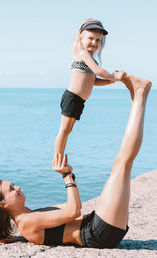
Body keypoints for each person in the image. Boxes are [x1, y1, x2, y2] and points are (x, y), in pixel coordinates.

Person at [0, 75, 152, 248]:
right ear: (3, 204)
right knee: (123, 162)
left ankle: (138, 95)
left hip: (95, 225)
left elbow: (73, 212)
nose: (17, 187)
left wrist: (68, 174)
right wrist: (67, 175)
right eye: (11, 189)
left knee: (121, 163)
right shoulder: (26, 223)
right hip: (97, 233)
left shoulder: (32, 214)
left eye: (14, 185)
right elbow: (74, 211)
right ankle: (139, 94)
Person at [54, 18, 127, 164]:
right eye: (90, 39)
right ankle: (57, 159)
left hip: (79, 100)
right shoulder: (82, 54)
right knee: (64, 130)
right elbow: (99, 71)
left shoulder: (92, 60)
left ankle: (60, 158)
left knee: (68, 130)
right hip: (72, 97)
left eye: (98, 40)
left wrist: (112, 80)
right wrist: (114, 77)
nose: (94, 43)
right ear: (81, 38)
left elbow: (94, 81)